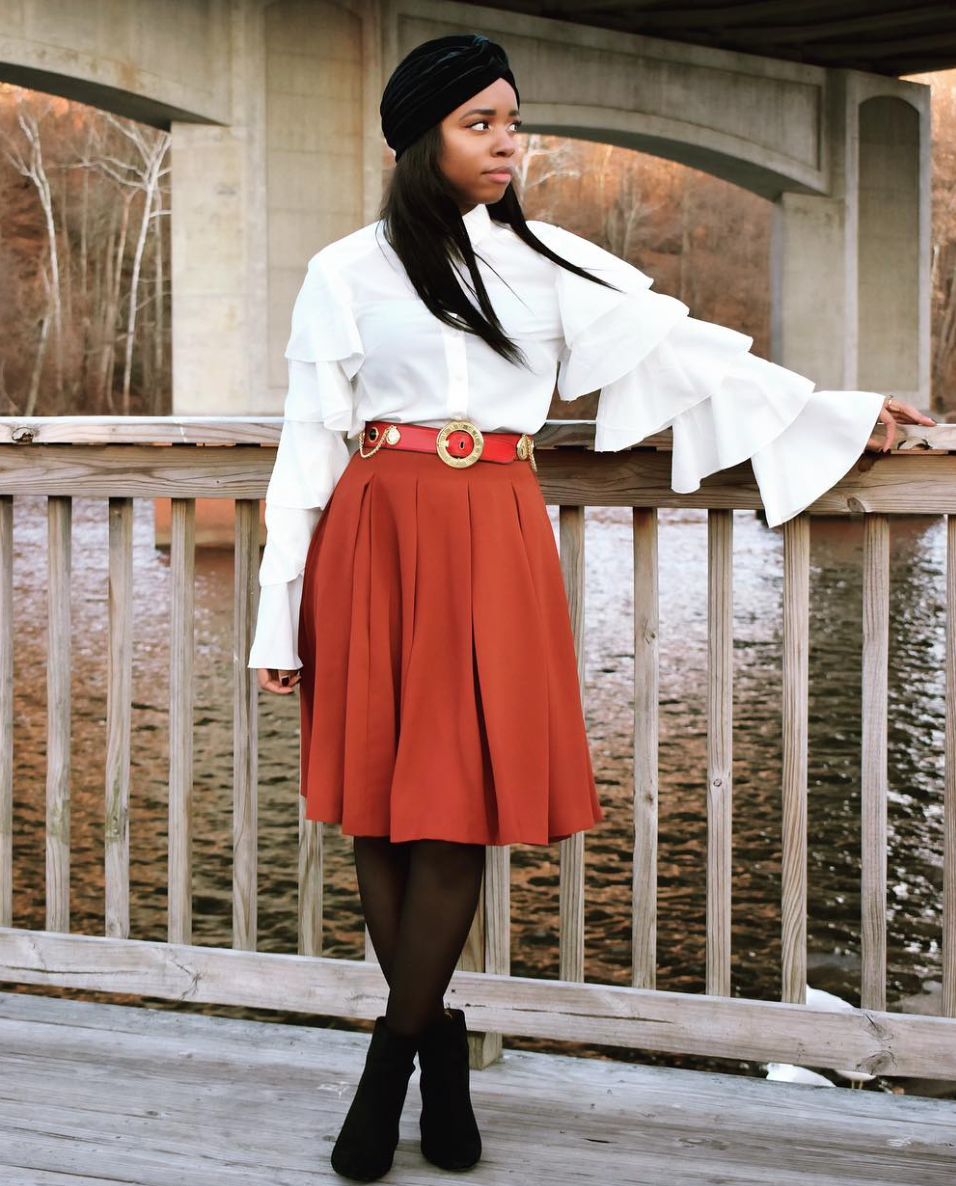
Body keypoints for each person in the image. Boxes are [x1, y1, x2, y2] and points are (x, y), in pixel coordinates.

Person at [248, 32, 935, 1182]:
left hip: (492, 534)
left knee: (450, 813)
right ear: (418, 140)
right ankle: (438, 1046)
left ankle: (391, 1061)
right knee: (377, 809)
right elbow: (305, 444)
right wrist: (278, 614)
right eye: (478, 122)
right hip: (371, 536)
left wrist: (838, 410)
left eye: (511, 121)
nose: (506, 142)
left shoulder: (549, 264)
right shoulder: (344, 272)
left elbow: (693, 366)